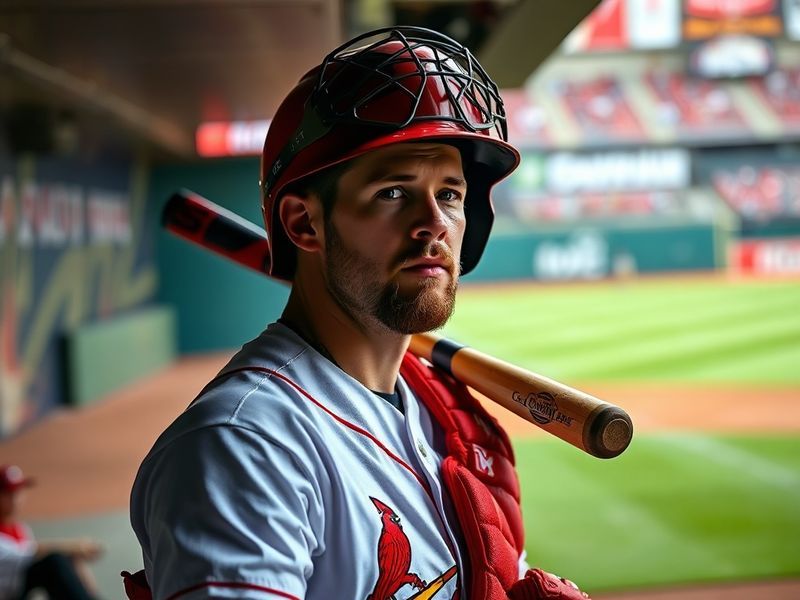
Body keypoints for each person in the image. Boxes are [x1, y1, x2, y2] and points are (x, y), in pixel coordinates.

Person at [129, 26, 590, 600]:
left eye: (449, 194)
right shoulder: (245, 446)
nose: (433, 224)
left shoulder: (444, 412)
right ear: (304, 223)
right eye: (394, 192)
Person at [0, 464, 103, 600]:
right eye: (8, 493)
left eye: (18, 491)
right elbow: (27, 554)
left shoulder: (20, 529)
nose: (15, 498)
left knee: (68, 559)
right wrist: (72, 547)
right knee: (54, 562)